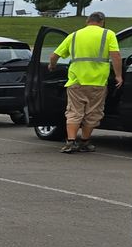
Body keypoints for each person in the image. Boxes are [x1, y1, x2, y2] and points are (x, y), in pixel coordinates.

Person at [48, 12, 123, 153]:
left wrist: (52, 66)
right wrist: (118, 76)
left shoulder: (74, 35)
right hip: (98, 81)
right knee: (93, 113)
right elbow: (116, 56)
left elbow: (54, 56)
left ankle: (70, 142)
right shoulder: (108, 34)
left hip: (76, 81)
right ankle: (84, 142)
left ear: (87, 21)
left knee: (74, 112)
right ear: (102, 22)